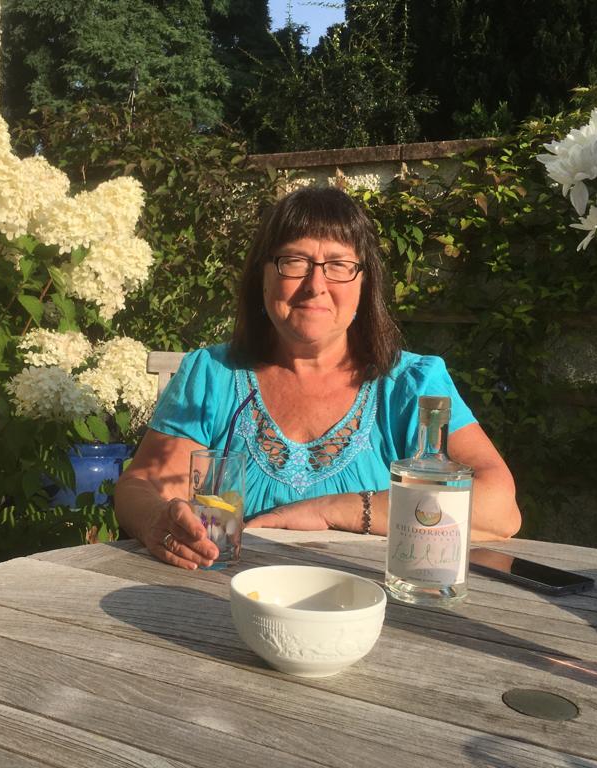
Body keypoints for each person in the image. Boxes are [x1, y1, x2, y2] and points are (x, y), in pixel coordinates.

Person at [114, 187, 521, 570]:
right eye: (295, 261)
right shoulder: (211, 375)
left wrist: (333, 510)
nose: (315, 285)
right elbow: (141, 484)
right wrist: (157, 519)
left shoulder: (411, 384)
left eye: (339, 265)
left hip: (374, 606)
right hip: (223, 598)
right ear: (262, 278)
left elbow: (498, 508)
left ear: (364, 283)